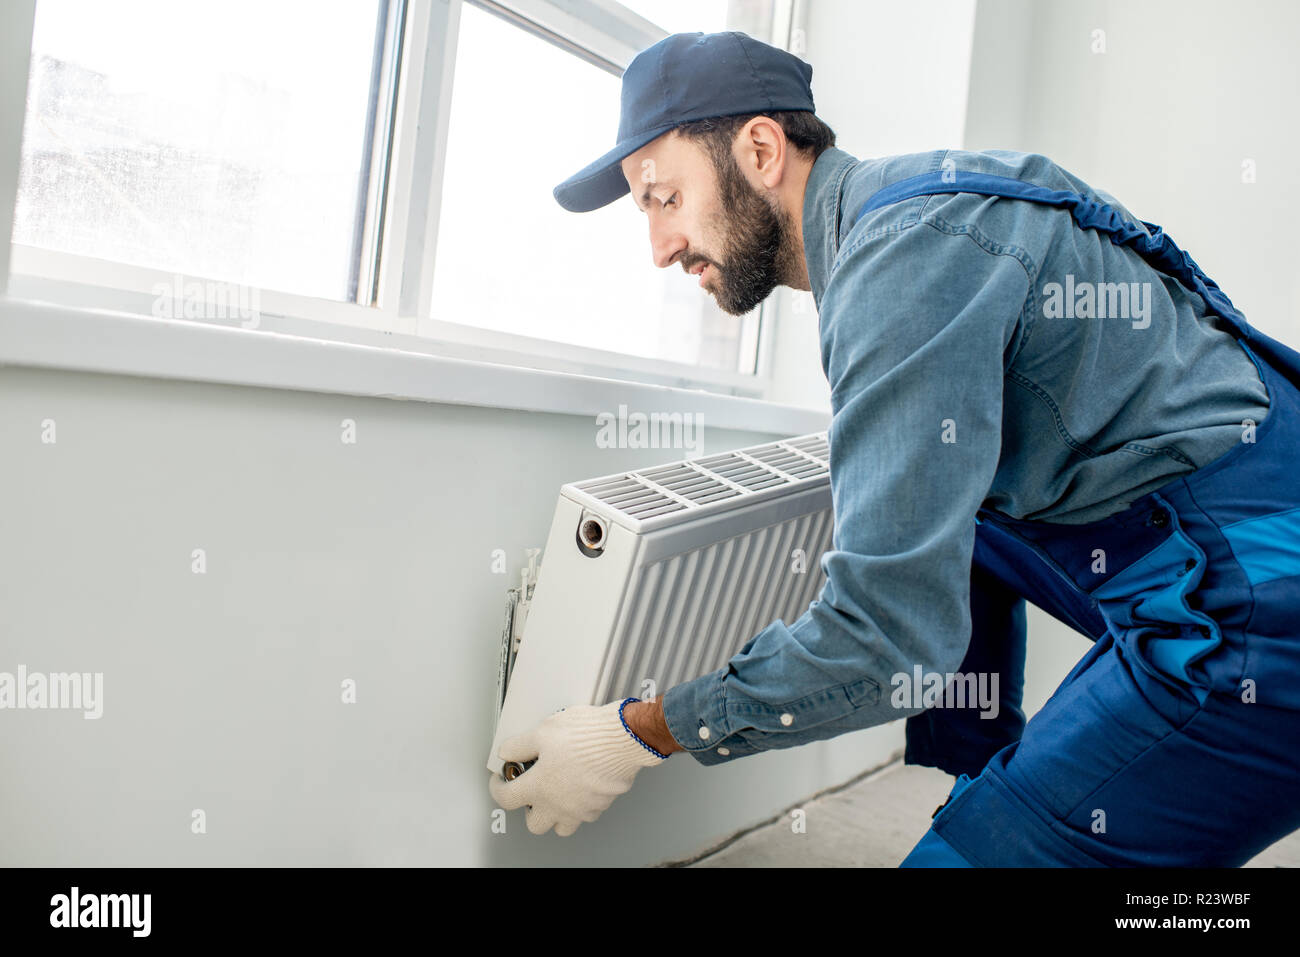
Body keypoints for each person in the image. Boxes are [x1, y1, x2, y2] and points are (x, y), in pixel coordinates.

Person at [488, 31, 1300, 866]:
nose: (658, 248)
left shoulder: (898, 270)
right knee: (937, 497)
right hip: (1239, 510)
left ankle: (1013, 829)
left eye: (664, 199)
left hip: (1259, 601)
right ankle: (984, 779)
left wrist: (637, 732)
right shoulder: (924, 201)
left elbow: (883, 634)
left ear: (761, 149)